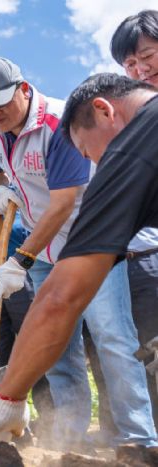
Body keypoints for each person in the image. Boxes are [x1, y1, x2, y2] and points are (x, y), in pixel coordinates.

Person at [0, 57, 155, 450]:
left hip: (91, 244)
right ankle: (66, 439)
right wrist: (0, 187)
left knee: (112, 337)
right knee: (57, 351)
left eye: (0, 103)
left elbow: (64, 203)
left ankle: (138, 437)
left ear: (23, 89)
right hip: (43, 248)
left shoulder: (61, 124)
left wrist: (20, 259)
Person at [0, 112, 53, 430]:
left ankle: (49, 420)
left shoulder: (18, 159)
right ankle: (1, 421)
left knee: (32, 337)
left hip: (19, 261)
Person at [111, 9, 158, 430]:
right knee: (149, 353)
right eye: (130, 65)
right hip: (142, 257)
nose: (141, 70)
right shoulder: (135, 120)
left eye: (148, 56)